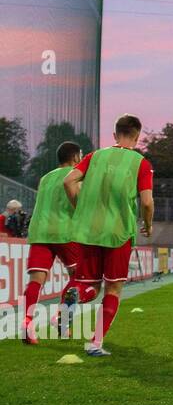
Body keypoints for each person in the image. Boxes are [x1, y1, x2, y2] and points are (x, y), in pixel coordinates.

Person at [63, 114, 154, 356]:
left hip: (89, 230)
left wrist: (79, 209)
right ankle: (95, 343)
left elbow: (69, 181)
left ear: (115, 135)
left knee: (90, 285)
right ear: (137, 137)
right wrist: (148, 225)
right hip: (118, 233)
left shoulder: (94, 156)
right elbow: (146, 202)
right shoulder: (140, 163)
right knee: (113, 288)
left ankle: (77, 297)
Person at [20, 141, 83, 345]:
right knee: (79, 276)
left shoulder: (45, 178)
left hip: (39, 231)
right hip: (65, 230)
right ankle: (62, 318)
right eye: (80, 155)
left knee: (36, 280)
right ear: (75, 157)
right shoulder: (77, 174)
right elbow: (80, 201)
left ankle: (28, 323)